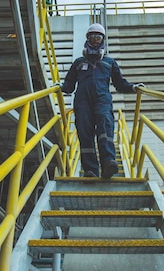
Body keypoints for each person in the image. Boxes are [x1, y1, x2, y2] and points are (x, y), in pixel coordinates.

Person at [60, 23, 144, 178]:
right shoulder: (79, 62)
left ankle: (108, 163)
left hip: (102, 99)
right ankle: (90, 170)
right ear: (87, 39)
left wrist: (133, 87)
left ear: (103, 39)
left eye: (98, 37)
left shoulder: (109, 62)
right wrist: (60, 86)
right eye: (92, 36)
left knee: (105, 126)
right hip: (82, 101)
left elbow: (120, 84)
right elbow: (69, 85)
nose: (95, 40)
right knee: (85, 132)